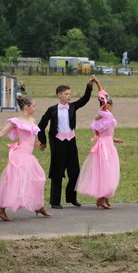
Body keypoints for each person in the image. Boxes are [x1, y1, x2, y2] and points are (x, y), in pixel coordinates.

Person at [0, 97, 50, 221]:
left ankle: (38, 205)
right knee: (15, 182)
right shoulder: (15, 121)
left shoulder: (32, 120)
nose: (35, 108)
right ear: (26, 107)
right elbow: (1, 134)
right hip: (20, 156)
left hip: (29, 156)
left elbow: (30, 138)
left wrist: (35, 143)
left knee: (38, 178)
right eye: (33, 106)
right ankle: (1, 209)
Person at [38, 76, 95, 209]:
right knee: (57, 173)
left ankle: (71, 198)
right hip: (58, 143)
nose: (69, 96)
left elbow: (85, 99)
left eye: (70, 94)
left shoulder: (73, 107)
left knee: (75, 172)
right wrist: (43, 141)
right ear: (59, 95)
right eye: (66, 94)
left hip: (71, 142)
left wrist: (89, 85)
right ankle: (55, 201)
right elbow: (41, 125)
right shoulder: (51, 110)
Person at [75, 78, 123, 209]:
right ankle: (101, 198)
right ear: (107, 105)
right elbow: (102, 95)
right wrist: (97, 83)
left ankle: (105, 197)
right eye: (109, 104)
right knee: (106, 171)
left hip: (107, 144)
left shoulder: (102, 118)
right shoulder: (105, 115)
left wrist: (115, 139)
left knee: (109, 171)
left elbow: (104, 135)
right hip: (105, 148)